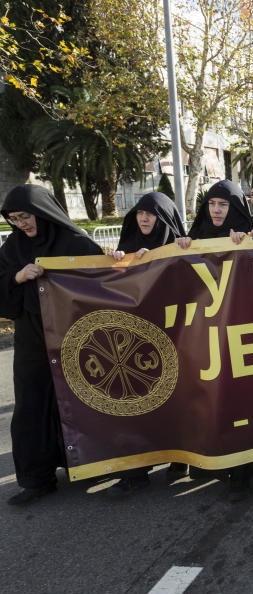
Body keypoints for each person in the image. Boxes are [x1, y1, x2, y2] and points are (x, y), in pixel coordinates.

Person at [1, 185, 103, 506]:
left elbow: (108, 282)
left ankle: (91, 464)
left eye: (26, 216)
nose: (22, 224)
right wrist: (18, 277)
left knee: (83, 398)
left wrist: (114, 261)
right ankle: (36, 479)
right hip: (32, 337)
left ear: (42, 212)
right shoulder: (12, 249)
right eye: (14, 219)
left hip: (75, 334)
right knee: (32, 404)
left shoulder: (75, 243)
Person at [177, 180, 253, 501]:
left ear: (235, 208)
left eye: (223, 205)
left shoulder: (250, 236)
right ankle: (214, 466)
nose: (216, 210)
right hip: (206, 336)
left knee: (240, 403)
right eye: (212, 204)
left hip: (242, 334)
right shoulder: (195, 238)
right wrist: (180, 250)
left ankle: (242, 474)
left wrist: (251, 244)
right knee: (210, 400)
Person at [104, 192, 187, 496]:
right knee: (135, 404)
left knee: (178, 403)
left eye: (151, 214)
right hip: (137, 344)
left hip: (178, 339)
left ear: (164, 218)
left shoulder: (182, 249)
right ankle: (135, 473)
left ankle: (182, 460)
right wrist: (115, 264)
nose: (143, 218)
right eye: (139, 212)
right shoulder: (125, 248)